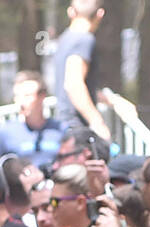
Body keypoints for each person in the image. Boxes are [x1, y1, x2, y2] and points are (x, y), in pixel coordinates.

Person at [53, 1, 109, 141]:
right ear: (100, 14)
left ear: (71, 12)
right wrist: (97, 122)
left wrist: (112, 100)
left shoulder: (64, 39)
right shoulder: (84, 40)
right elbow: (73, 84)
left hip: (66, 127)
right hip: (78, 130)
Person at [0, 72, 66, 169]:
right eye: (17, 96)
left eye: (27, 96)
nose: (21, 102)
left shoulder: (61, 129)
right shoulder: (5, 131)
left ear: (42, 96)